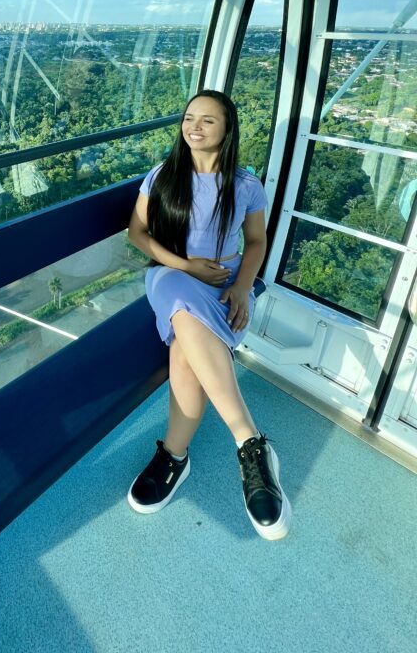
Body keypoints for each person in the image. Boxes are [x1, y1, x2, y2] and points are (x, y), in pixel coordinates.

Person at [126, 89, 291, 541]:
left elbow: (255, 242)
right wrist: (186, 266)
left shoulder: (245, 185)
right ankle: (250, 443)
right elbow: (137, 233)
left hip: (225, 283)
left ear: (227, 130)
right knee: (179, 302)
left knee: (186, 354)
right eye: (189, 118)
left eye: (208, 121)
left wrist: (240, 286)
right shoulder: (162, 177)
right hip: (172, 276)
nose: (194, 127)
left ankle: (174, 456)